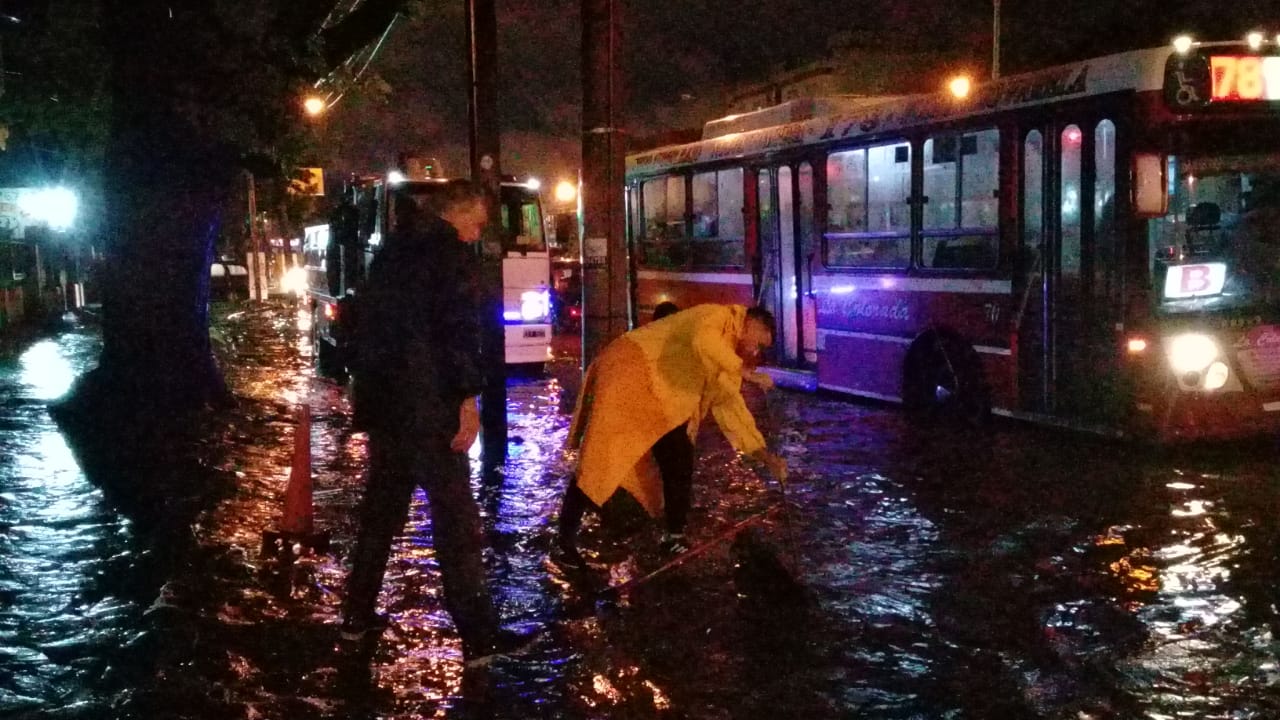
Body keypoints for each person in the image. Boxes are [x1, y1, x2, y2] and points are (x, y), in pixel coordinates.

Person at [340, 179, 526, 669]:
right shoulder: (451, 257)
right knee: (456, 525)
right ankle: (479, 640)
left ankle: (355, 619)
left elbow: (359, 327)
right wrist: (468, 400)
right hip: (431, 411)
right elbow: (458, 335)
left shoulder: (389, 253)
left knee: (379, 519)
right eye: (478, 223)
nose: (478, 234)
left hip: (386, 410)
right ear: (457, 215)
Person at [555, 303, 787, 564]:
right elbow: (703, 342)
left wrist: (766, 457)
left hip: (663, 404)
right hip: (628, 375)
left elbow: (733, 411)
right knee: (602, 458)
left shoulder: (726, 357)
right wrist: (746, 373)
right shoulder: (716, 315)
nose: (756, 351)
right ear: (754, 324)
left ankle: (673, 536)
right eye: (759, 343)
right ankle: (564, 541)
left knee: (679, 460)